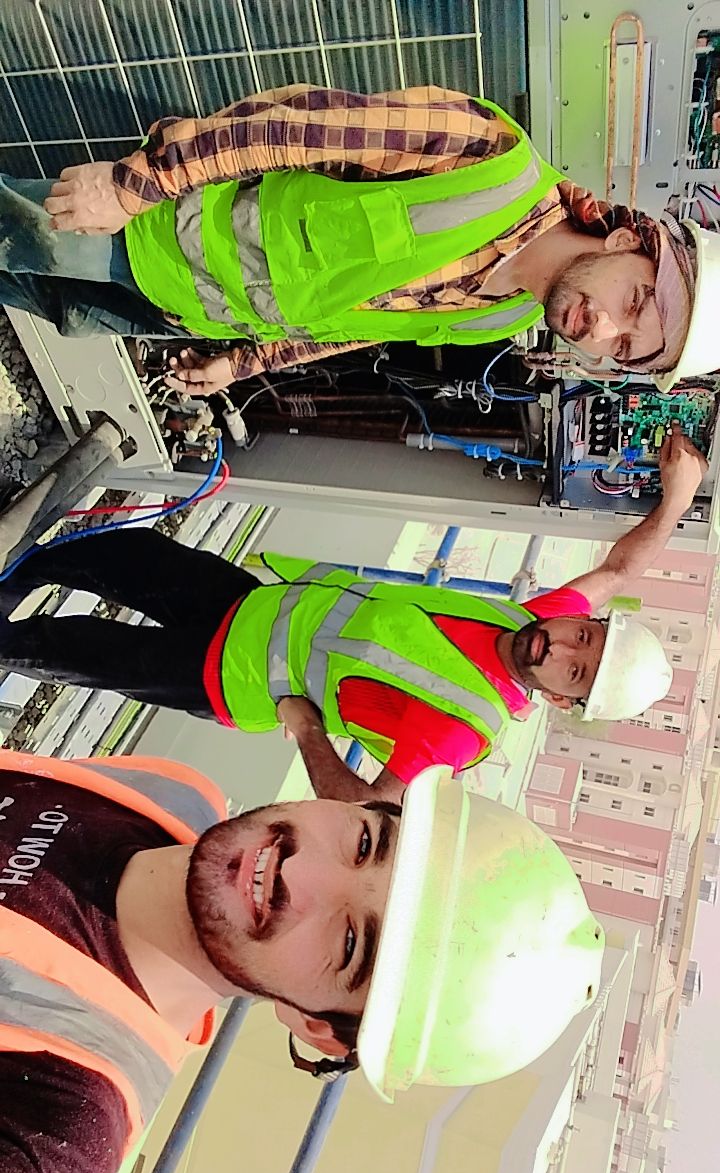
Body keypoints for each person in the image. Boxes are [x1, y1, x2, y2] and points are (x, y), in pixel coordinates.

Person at [0, 750, 604, 1173]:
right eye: (364, 843)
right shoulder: (175, 796)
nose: (297, 870)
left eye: (351, 944)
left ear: (316, 1026)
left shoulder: (58, 1125)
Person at [0, 427, 706, 804]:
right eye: (583, 636)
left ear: (559, 700)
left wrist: (308, 731)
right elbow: (617, 572)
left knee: (66, 646)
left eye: (575, 672)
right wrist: (675, 500)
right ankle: (11, 568)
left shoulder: (462, 729)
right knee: (119, 553)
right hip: (249, 603)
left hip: (230, 679)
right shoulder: (525, 622)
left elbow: (367, 807)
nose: (560, 649)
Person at [0, 84, 716, 392]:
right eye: (634, 300)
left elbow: (355, 324)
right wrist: (136, 185)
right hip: (154, 232)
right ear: (627, 241)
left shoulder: (503, 318)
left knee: (47, 304)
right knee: (9, 236)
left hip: (185, 313)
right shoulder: (489, 159)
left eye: (624, 346)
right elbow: (294, 127)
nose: (603, 328)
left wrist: (244, 363)